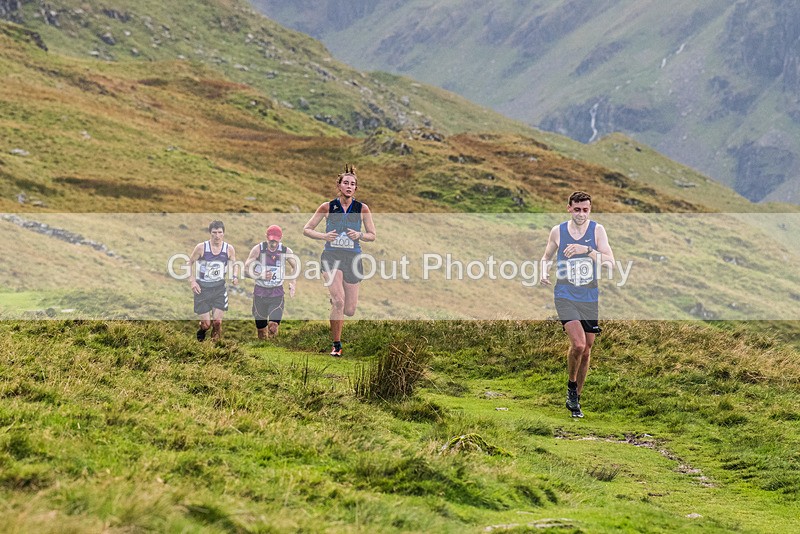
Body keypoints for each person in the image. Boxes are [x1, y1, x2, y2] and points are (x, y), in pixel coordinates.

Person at [540, 191, 614, 418]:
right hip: (565, 294)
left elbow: (610, 264)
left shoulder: (597, 231)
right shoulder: (558, 231)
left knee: (588, 348)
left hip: (589, 296)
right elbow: (546, 257)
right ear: (569, 208)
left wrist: (588, 250)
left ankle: (576, 400)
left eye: (586, 210)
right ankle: (571, 387)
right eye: (577, 209)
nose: (581, 214)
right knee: (579, 345)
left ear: (590, 209)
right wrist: (543, 271)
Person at [303, 163, 376, 357]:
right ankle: (336, 345)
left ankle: (337, 300)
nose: (349, 186)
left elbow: (372, 235)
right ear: (339, 186)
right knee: (339, 301)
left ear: (356, 188)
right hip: (331, 255)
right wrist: (323, 237)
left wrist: (359, 235)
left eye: (353, 184)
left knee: (350, 310)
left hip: (353, 257)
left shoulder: (362, 208)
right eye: (346, 183)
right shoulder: (327, 207)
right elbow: (307, 229)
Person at [187, 220, 239, 341]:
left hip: (219, 289)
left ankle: (214, 348)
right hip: (202, 289)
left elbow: (235, 264)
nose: (217, 235)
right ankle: (202, 330)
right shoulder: (201, 248)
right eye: (214, 232)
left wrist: (235, 276)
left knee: (217, 322)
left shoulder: (228, 248)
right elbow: (189, 263)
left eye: (219, 232)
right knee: (206, 324)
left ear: (223, 233)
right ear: (210, 233)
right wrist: (192, 281)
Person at [244, 224, 297, 340]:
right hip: (260, 293)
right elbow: (245, 271)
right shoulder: (258, 249)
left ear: (281, 238)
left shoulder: (285, 251)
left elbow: (295, 266)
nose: (273, 244)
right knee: (262, 331)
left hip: (276, 293)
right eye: (271, 240)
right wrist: (260, 275)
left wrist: (293, 283)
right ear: (266, 237)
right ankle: (263, 351)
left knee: (273, 327)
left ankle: (274, 349)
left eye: (276, 241)